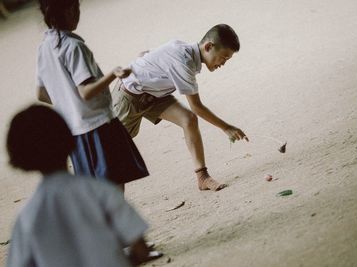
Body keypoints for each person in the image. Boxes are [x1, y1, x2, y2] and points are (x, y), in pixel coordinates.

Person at [6, 105, 161, 267]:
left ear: (20, 158)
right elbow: (140, 250)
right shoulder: (101, 192)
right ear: (68, 139)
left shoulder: (26, 218)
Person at [112, 24, 248, 191]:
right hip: (128, 98)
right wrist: (226, 127)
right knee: (112, 150)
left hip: (154, 95)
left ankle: (202, 177)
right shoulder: (184, 62)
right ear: (208, 46)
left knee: (188, 119)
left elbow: (145, 53)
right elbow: (197, 106)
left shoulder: (183, 48)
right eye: (223, 57)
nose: (223, 63)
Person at [36, 0, 148, 189]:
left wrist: (68, 105)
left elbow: (41, 93)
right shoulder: (74, 47)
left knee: (95, 190)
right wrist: (114, 73)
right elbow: (86, 91)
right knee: (114, 185)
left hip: (74, 130)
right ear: (71, 10)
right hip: (98, 126)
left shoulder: (44, 47)